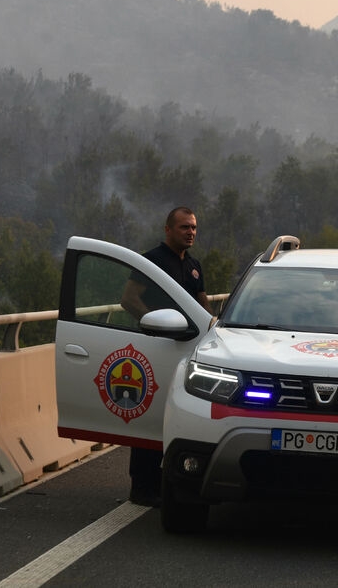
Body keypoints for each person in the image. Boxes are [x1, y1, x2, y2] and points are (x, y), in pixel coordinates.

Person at [121, 206, 211, 506]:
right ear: (168, 229)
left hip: (186, 350)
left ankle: (167, 482)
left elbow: (203, 308)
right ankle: (141, 486)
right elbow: (129, 299)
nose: (191, 232)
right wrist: (154, 323)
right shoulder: (152, 261)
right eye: (184, 227)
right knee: (151, 414)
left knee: (178, 416)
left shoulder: (194, 266)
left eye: (194, 227)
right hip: (155, 348)